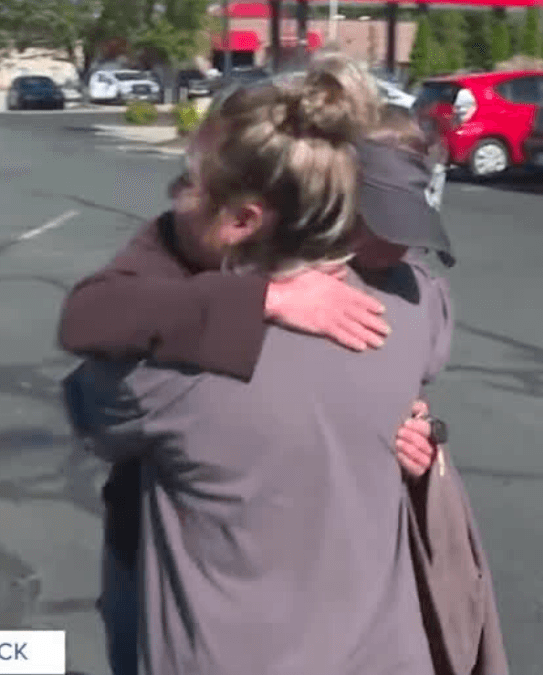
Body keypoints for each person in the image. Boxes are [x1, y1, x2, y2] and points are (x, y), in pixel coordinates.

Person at [60, 54, 468, 675]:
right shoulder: (414, 311)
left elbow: (89, 387)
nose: (175, 198)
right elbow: (423, 341)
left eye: (191, 184)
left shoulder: (167, 378)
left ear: (244, 220)